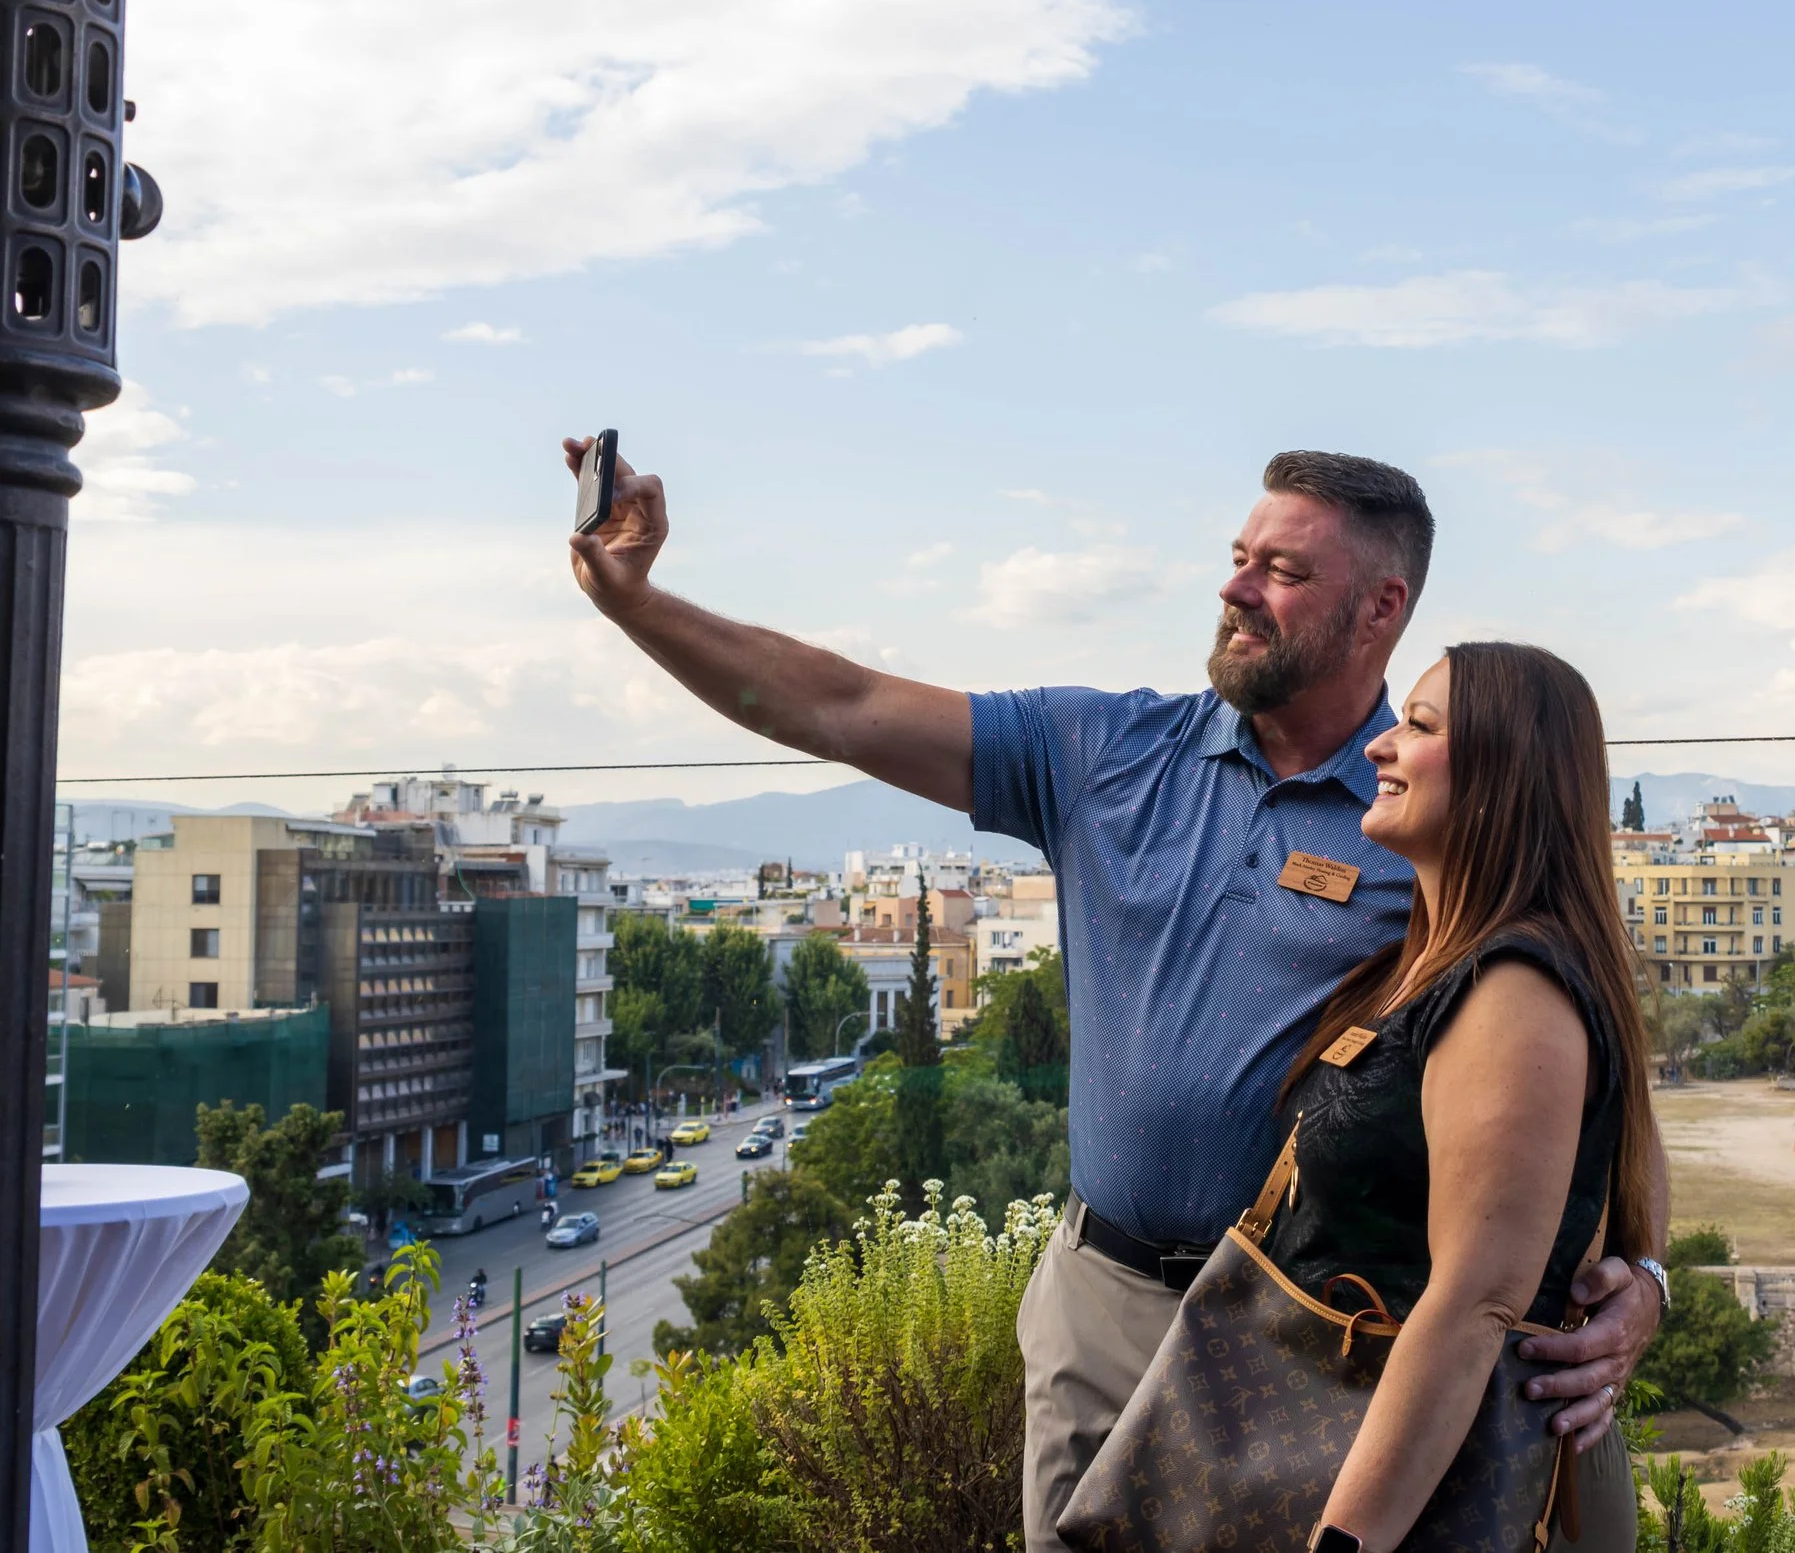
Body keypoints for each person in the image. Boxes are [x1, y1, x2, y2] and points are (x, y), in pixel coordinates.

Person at [563, 441, 1666, 1553]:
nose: (1235, 588)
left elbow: (1593, 1079)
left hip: (1322, 1340)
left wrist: (1646, 1276)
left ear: (1381, 606)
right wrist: (639, 604)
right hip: (1108, 1302)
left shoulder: (1431, 821)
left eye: (1282, 572)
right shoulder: (1103, 750)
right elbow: (838, 704)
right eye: (1239, 558)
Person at [1247, 643, 1657, 1548]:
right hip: (1387, 1464)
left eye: (1418, 728)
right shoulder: (1430, 963)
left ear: (1503, 774)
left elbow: (1472, 1307)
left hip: (1453, 1495)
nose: (1376, 750)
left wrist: (1345, 1543)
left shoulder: (1515, 990)